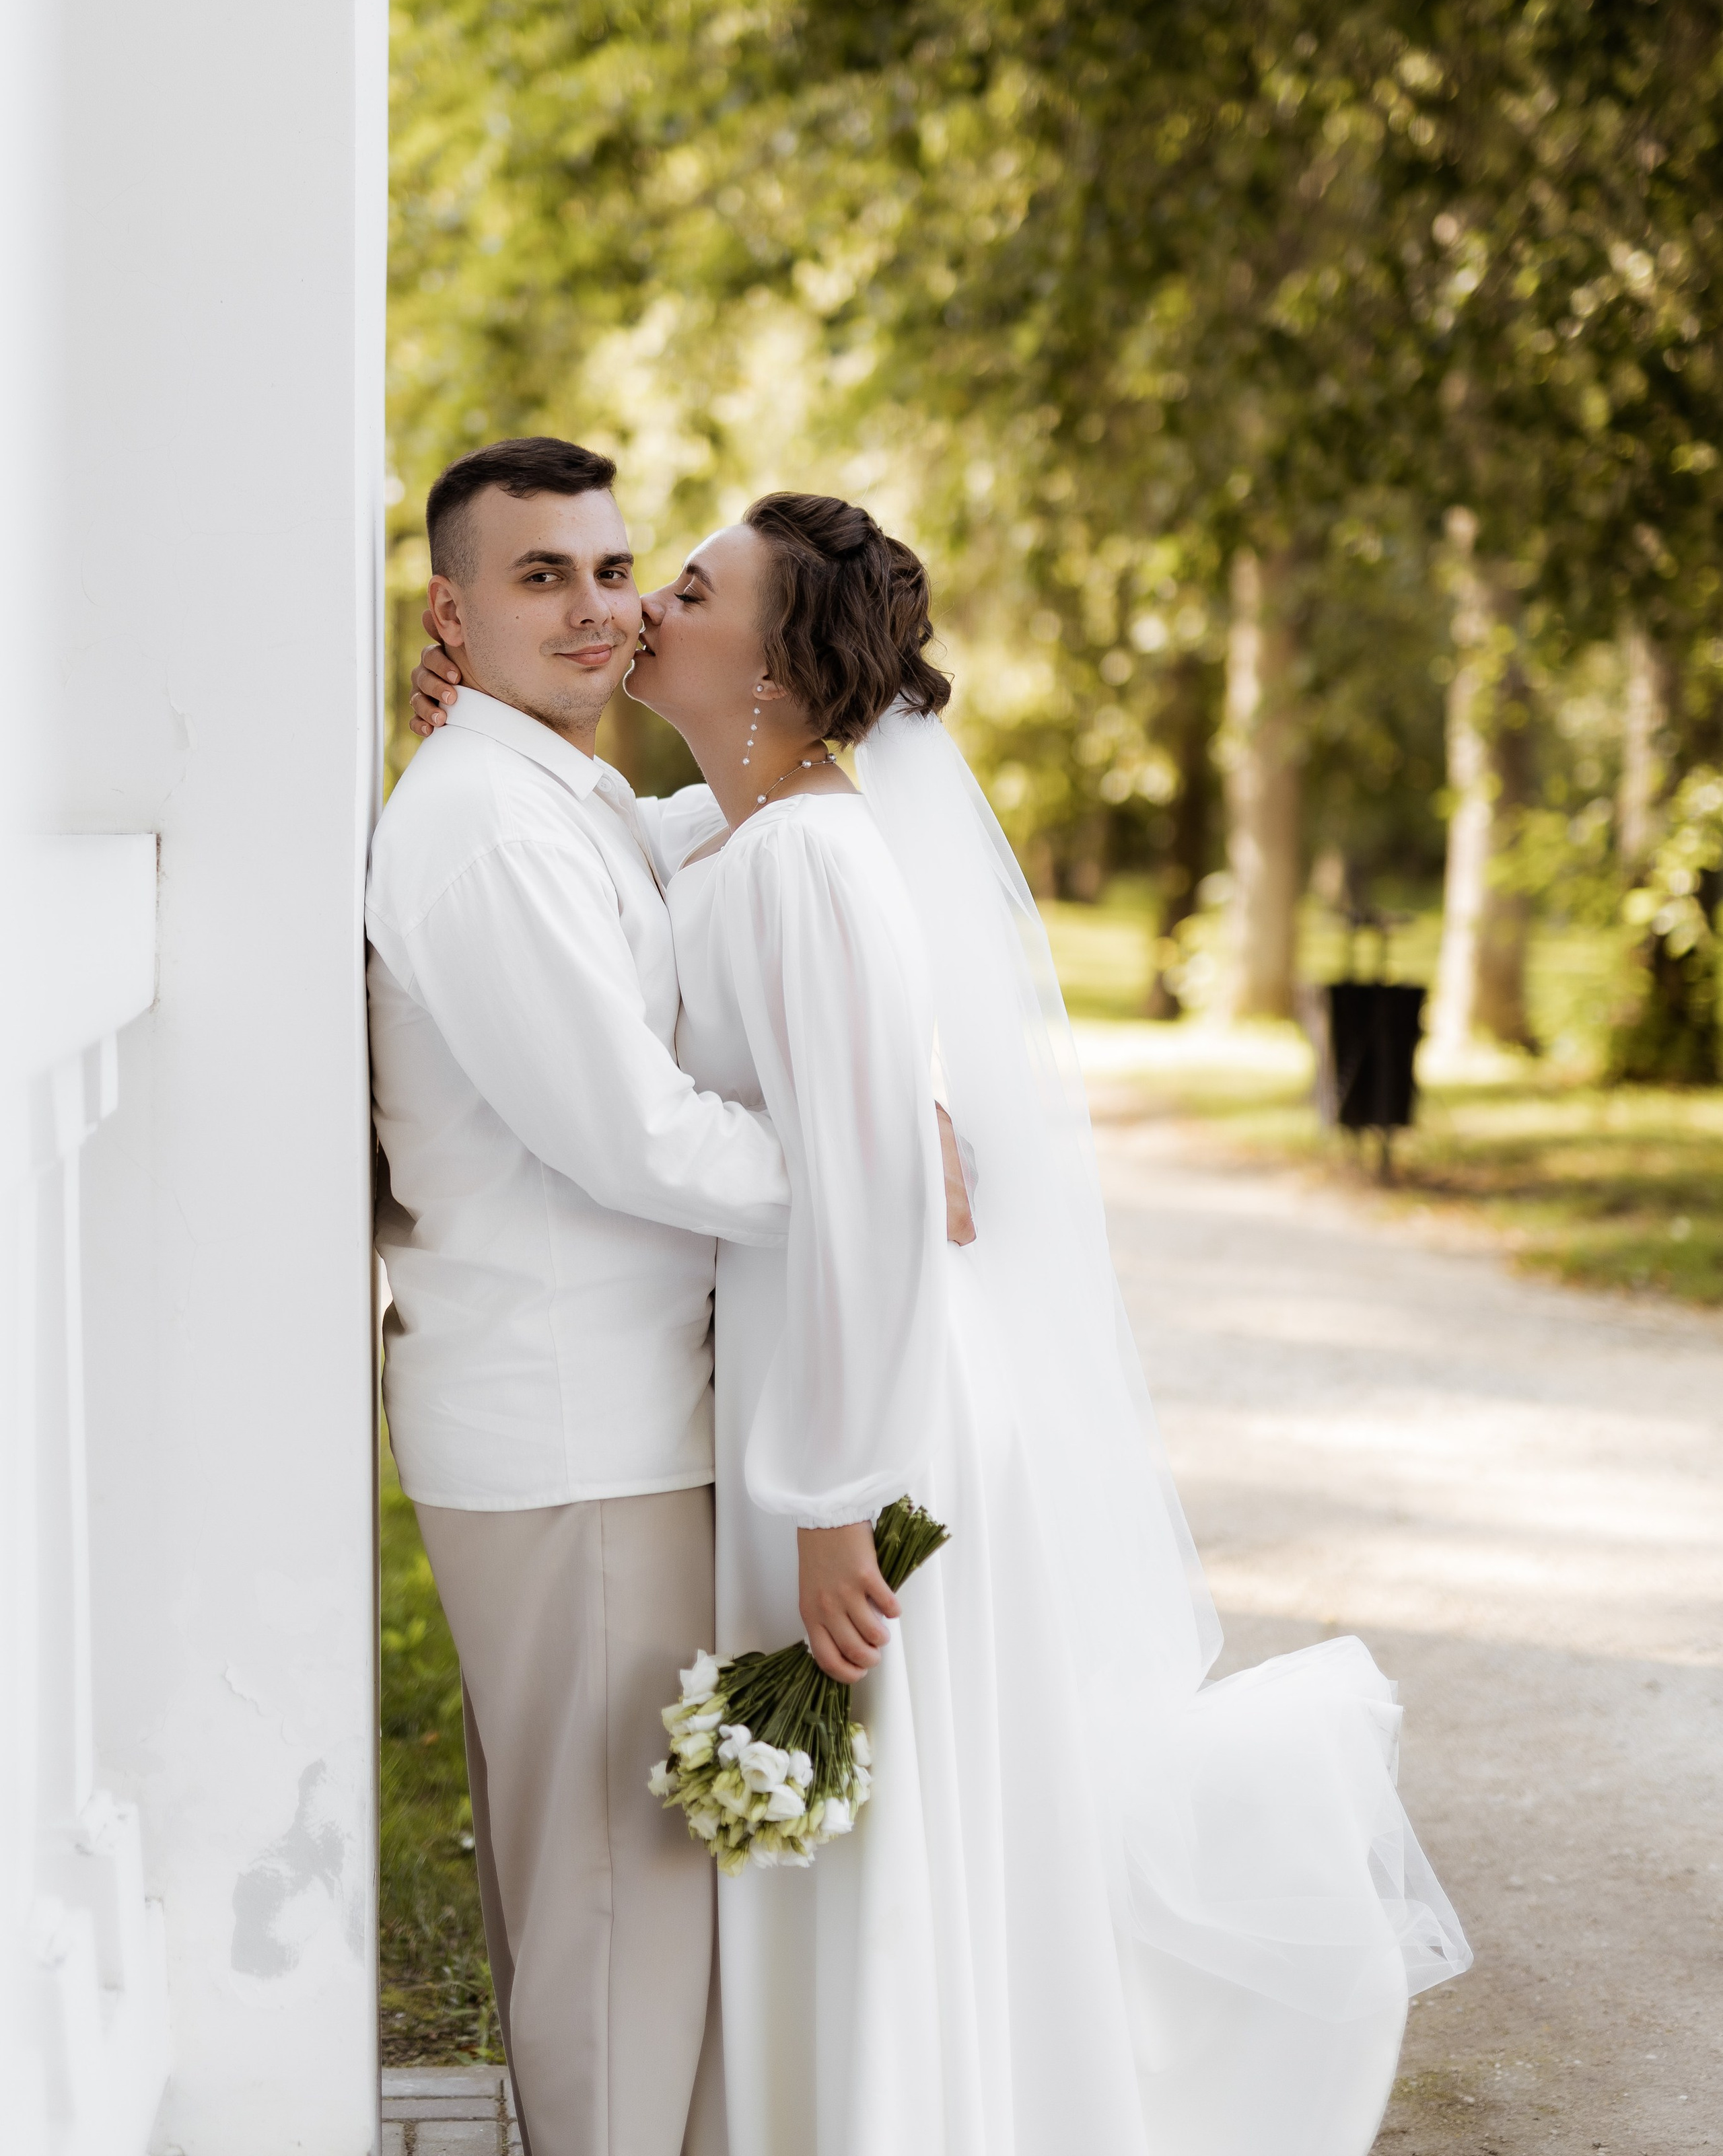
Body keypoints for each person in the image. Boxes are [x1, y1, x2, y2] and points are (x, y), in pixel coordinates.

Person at [411, 485, 1471, 2156]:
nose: (639, 610)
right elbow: (641, 882)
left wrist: (840, 1490)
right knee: (848, 1834)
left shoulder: (806, 860)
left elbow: (870, 1199)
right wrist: (472, 708)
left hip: (861, 1387)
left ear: (769, 668)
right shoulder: (735, 834)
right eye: (611, 580)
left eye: (679, 587)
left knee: (890, 1835)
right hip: (809, 1360)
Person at [378, 438, 973, 2156]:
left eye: (614, 568)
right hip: (575, 1426)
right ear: (451, 611)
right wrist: (867, 1166)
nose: (599, 608)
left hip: (610, 1415)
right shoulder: (486, 825)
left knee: (600, 1903)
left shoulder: (555, 795)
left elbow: (702, 839)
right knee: (614, 1921)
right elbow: (635, 1133)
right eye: (539, 576)